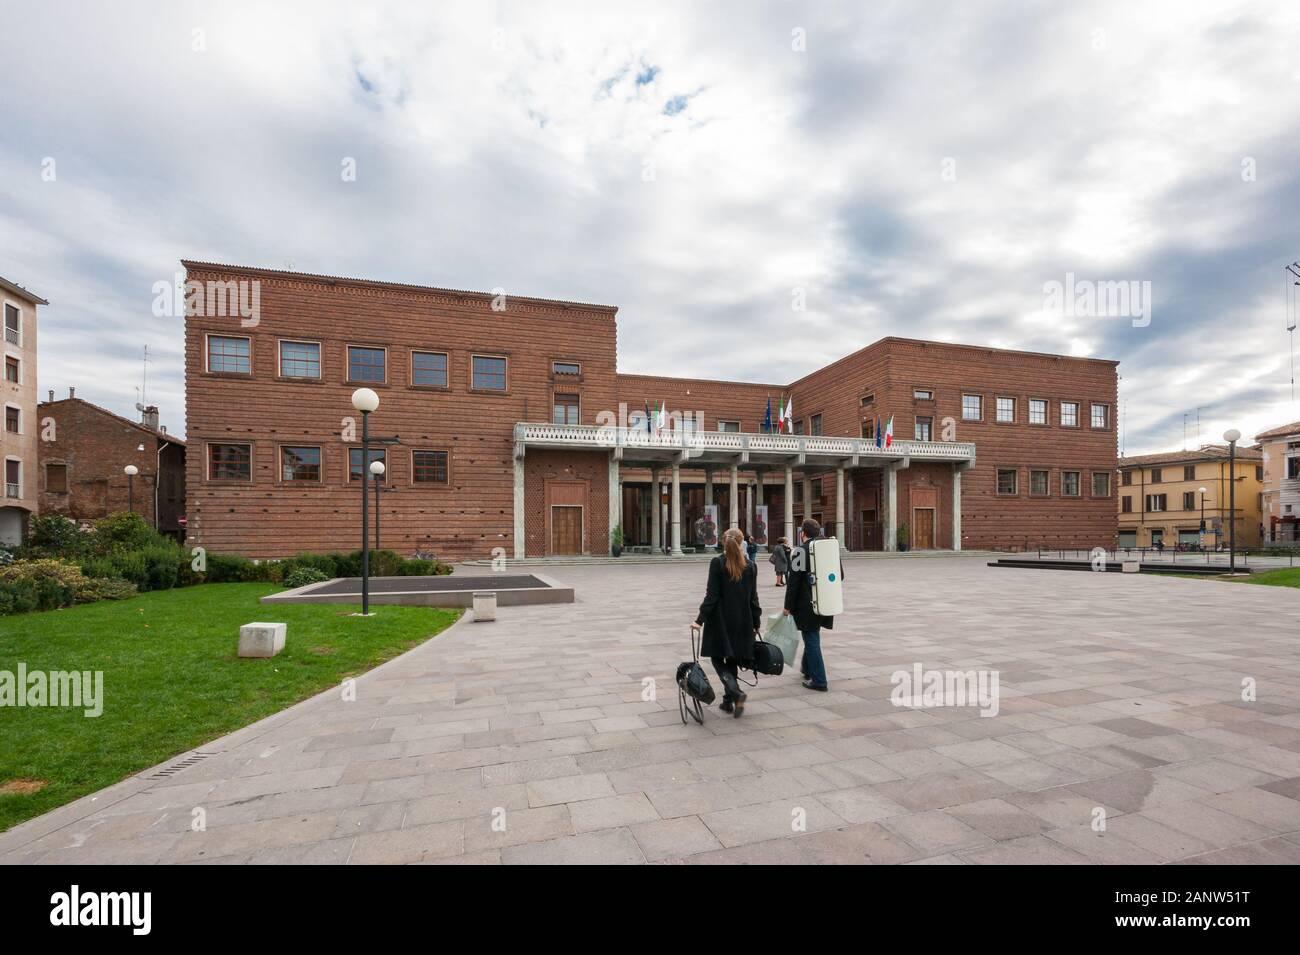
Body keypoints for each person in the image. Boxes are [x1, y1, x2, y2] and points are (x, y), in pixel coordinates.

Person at [692, 527, 761, 717]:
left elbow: (712, 596)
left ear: (724, 541)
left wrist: (699, 620)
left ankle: (735, 691)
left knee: (717, 657)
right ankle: (728, 701)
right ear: (741, 543)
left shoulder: (717, 563)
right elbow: (753, 598)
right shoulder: (751, 565)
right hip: (743, 620)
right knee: (731, 657)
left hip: (720, 620)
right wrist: (756, 621)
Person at [783, 518, 835, 692]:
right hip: (827, 600)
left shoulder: (800, 551)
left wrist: (787, 606)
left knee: (811, 638)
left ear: (802, 533)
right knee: (811, 634)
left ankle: (819, 680)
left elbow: (793, 582)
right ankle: (807, 669)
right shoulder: (829, 548)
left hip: (807, 604)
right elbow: (839, 575)